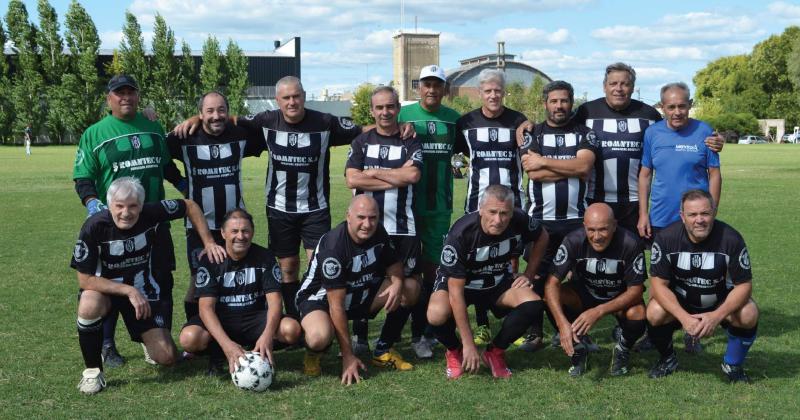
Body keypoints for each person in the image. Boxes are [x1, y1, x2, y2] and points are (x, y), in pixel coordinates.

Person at [174, 76, 413, 320]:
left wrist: (399, 126)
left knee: (319, 266)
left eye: (296, 96)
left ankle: (321, 319)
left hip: (315, 208)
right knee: (287, 268)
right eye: (286, 98)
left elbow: (363, 129)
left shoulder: (324, 121)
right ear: (278, 100)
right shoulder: (266, 120)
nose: (292, 102)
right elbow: (230, 119)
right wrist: (196, 119)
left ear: (304, 96)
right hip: (279, 208)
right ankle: (294, 318)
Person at [71, 177, 225, 394]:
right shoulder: (93, 226)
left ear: (141, 205)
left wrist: (209, 242)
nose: (126, 212)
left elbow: (189, 206)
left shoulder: (152, 213)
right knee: (88, 304)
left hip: (144, 291)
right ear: (110, 205)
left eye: (133, 206)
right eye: (120, 206)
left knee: (167, 357)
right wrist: (128, 290)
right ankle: (92, 372)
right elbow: (85, 280)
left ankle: (145, 338)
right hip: (106, 291)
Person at [73, 74, 186, 368]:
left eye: (130, 92)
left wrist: (184, 186)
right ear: (109, 98)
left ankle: (155, 337)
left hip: (154, 222)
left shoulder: (153, 126)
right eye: (119, 93)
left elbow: (165, 166)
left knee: (162, 279)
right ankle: (107, 346)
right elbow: (83, 176)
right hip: (116, 225)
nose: (125, 97)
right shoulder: (95, 133)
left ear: (137, 96)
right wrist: (92, 202)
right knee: (110, 283)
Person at [427, 185, 549, 379]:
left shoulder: (519, 219)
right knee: (436, 314)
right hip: (462, 286)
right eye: (492, 212)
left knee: (533, 304)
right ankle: (454, 350)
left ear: (512, 211)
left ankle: (495, 352)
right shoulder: (461, 233)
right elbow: (456, 294)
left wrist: (529, 273)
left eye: (504, 213)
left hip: (496, 281)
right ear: (481, 209)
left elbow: (542, 235)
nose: (498, 220)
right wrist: (468, 344)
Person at [296, 195, 420, 385]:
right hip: (321, 300)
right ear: (348, 216)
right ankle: (314, 353)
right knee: (318, 337)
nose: (367, 224)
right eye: (361, 217)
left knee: (409, 288)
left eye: (372, 218)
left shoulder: (378, 231)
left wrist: (396, 283)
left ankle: (383, 350)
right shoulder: (334, 247)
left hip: (358, 292)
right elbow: (336, 306)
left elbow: (393, 263)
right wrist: (348, 356)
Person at [166, 91, 263, 326]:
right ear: (200, 114)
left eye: (221, 110)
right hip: (199, 226)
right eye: (209, 111)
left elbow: (263, 127)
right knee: (198, 279)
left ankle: (240, 326)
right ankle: (196, 330)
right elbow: (159, 159)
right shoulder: (184, 137)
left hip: (235, 226)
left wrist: (232, 118)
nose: (216, 116)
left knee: (235, 277)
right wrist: (182, 184)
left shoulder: (240, 135)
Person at [517, 80, 599, 351]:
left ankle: (578, 331)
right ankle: (535, 332)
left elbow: (585, 166)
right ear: (545, 104)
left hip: (577, 220)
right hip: (540, 221)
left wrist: (545, 161)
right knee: (536, 278)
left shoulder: (585, 133)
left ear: (571, 101)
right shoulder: (533, 133)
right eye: (554, 101)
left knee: (578, 280)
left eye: (564, 100)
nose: (559, 106)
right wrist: (570, 167)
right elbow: (534, 173)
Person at [346, 86, 423, 368]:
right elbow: (353, 180)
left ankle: (385, 345)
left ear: (398, 107)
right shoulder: (362, 141)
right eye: (379, 108)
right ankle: (360, 336)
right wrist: (395, 177)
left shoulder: (410, 140)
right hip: (366, 229)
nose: (385, 112)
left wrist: (375, 172)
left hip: (403, 228)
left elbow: (412, 175)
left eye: (390, 107)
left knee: (409, 287)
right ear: (372, 110)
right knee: (364, 281)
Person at [646, 190, 758, 383]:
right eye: (693, 215)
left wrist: (716, 316)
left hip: (719, 303)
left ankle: (732, 364)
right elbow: (657, 284)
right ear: (682, 217)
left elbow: (744, 285)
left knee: (749, 312)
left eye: (705, 213)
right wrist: (684, 318)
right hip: (682, 303)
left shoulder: (731, 238)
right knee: (654, 311)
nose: (700, 220)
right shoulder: (666, 238)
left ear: (714, 212)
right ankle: (667, 359)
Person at [454, 68, 529, 345]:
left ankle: (512, 317)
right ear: (480, 93)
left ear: (503, 92)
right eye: (488, 90)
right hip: (477, 204)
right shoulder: (466, 122)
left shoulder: (518, 121)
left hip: (512, 204)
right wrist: (457, 170)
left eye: (498, 90)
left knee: (511, 258)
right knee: (477, 262)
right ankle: (483, 323)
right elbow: (457, 157)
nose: (493, 95)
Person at [179, 208, 301, 375]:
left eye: (245, 231)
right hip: (223, 319)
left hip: (255, 317)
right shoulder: (211, 260)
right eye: (234, 231)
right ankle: (219, 353)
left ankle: (257, 349)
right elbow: (205, 309)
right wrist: (226, 344)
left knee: (291, 329)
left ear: (252, 232)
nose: (240, 236)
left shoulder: (265, 257)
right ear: (223, 233)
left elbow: (275, 302)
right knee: (189, 338)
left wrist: (267, 335)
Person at [398, 64, 462, 358]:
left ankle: (426, 331)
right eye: (427, 84)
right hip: (406, 204)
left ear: (445, 90)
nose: (432, 90)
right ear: (418, 88)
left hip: (439, 205)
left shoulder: (454, 120)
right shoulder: (404, 114)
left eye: (437, 85)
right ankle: (401, 330)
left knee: (433, 270)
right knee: (403, 268)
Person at [544, 203, 647, 377]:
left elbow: (636, 290)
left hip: (618, 297)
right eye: (591, 230)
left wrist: (598, 311)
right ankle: (578, 350)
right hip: (584, 295)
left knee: (638, 313)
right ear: (584, 226)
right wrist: (562, 324)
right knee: (553, 296)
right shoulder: (573, 240)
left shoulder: (630, 243)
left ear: (614, 225)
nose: (597, 236)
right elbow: (551, 284)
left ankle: (622, 349)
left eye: (603, 230)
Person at [638, 82, 722, 240]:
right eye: (671, 107)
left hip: (696, 218)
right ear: (663, 107)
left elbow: (715, 174)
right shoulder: (652, 133)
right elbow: (645, 175)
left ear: (690, 105)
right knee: (662, 264)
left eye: (682, 106)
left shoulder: (704, 131)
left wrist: (712, 211)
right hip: (661, 217)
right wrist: (643, 214)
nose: (677, 112)